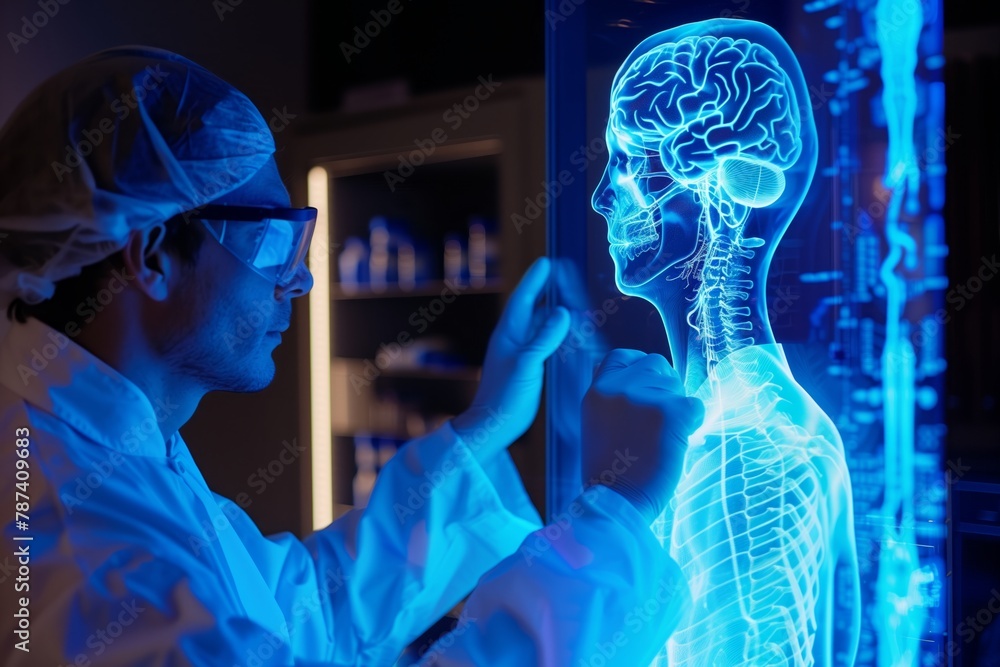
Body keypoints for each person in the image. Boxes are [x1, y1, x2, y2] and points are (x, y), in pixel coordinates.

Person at [0, 46, 704, 666]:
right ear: (152, 256)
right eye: (274, 240)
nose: (300, 280)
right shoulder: (86, 550)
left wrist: (487, 423)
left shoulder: (109, 453)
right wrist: (619, 509)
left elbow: (304, 614)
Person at [591, 19, 861, 666]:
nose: (601, 198)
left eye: (625, 165)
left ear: (712, 190)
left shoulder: (749, 449)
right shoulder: (743, 430)